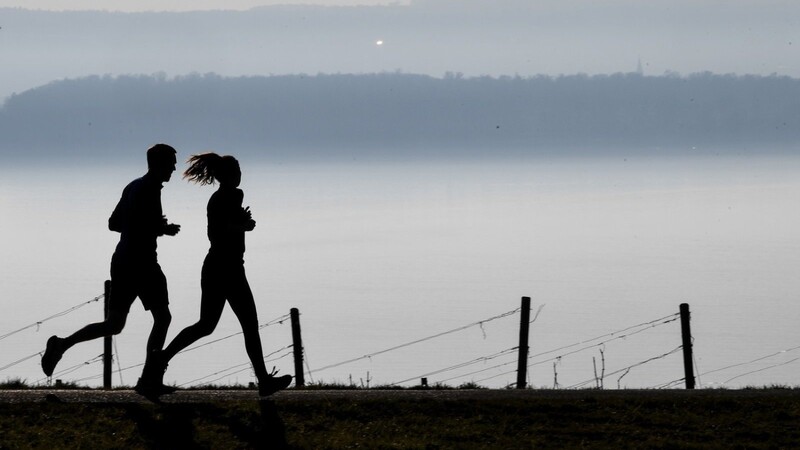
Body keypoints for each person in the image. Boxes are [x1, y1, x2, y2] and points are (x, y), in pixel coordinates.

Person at [144, 152, 292, 397]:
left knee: (207, 325)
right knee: (245, 325)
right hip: (228, 269)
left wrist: (241, 224)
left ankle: (162, 358)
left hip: (218, 267)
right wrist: (242, 225)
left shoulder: (219, 198)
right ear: (230, 175)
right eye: (238, 170)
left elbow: (222, 228)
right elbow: (218, 232)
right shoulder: (232, 195)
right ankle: (264, 381)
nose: (241, 174)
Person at [41, 143, 181, 397]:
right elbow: (136, 226)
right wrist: (161, 228)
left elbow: (114, 223)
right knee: (163, 318)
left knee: (114, 325)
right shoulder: (148, 189)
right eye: (171, 162)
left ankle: (62, 344)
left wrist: (152, 225)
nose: (174, 167)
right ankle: (149, 379)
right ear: (158, 163)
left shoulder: (134, 186)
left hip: (122, 261)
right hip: (143, 262)